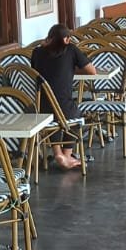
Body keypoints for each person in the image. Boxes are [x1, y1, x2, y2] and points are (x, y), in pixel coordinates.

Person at [31, 23, 95, 170]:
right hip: (65, 108)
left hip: (41, 109)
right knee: (75, 115)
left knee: (53, 116)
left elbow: (35, 71)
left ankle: (57, 152)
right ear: (66, 39)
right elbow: (92, 71)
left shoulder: (37, 52)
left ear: (49, 38)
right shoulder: (71, 49)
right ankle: (66, 155)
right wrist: (71, 69)